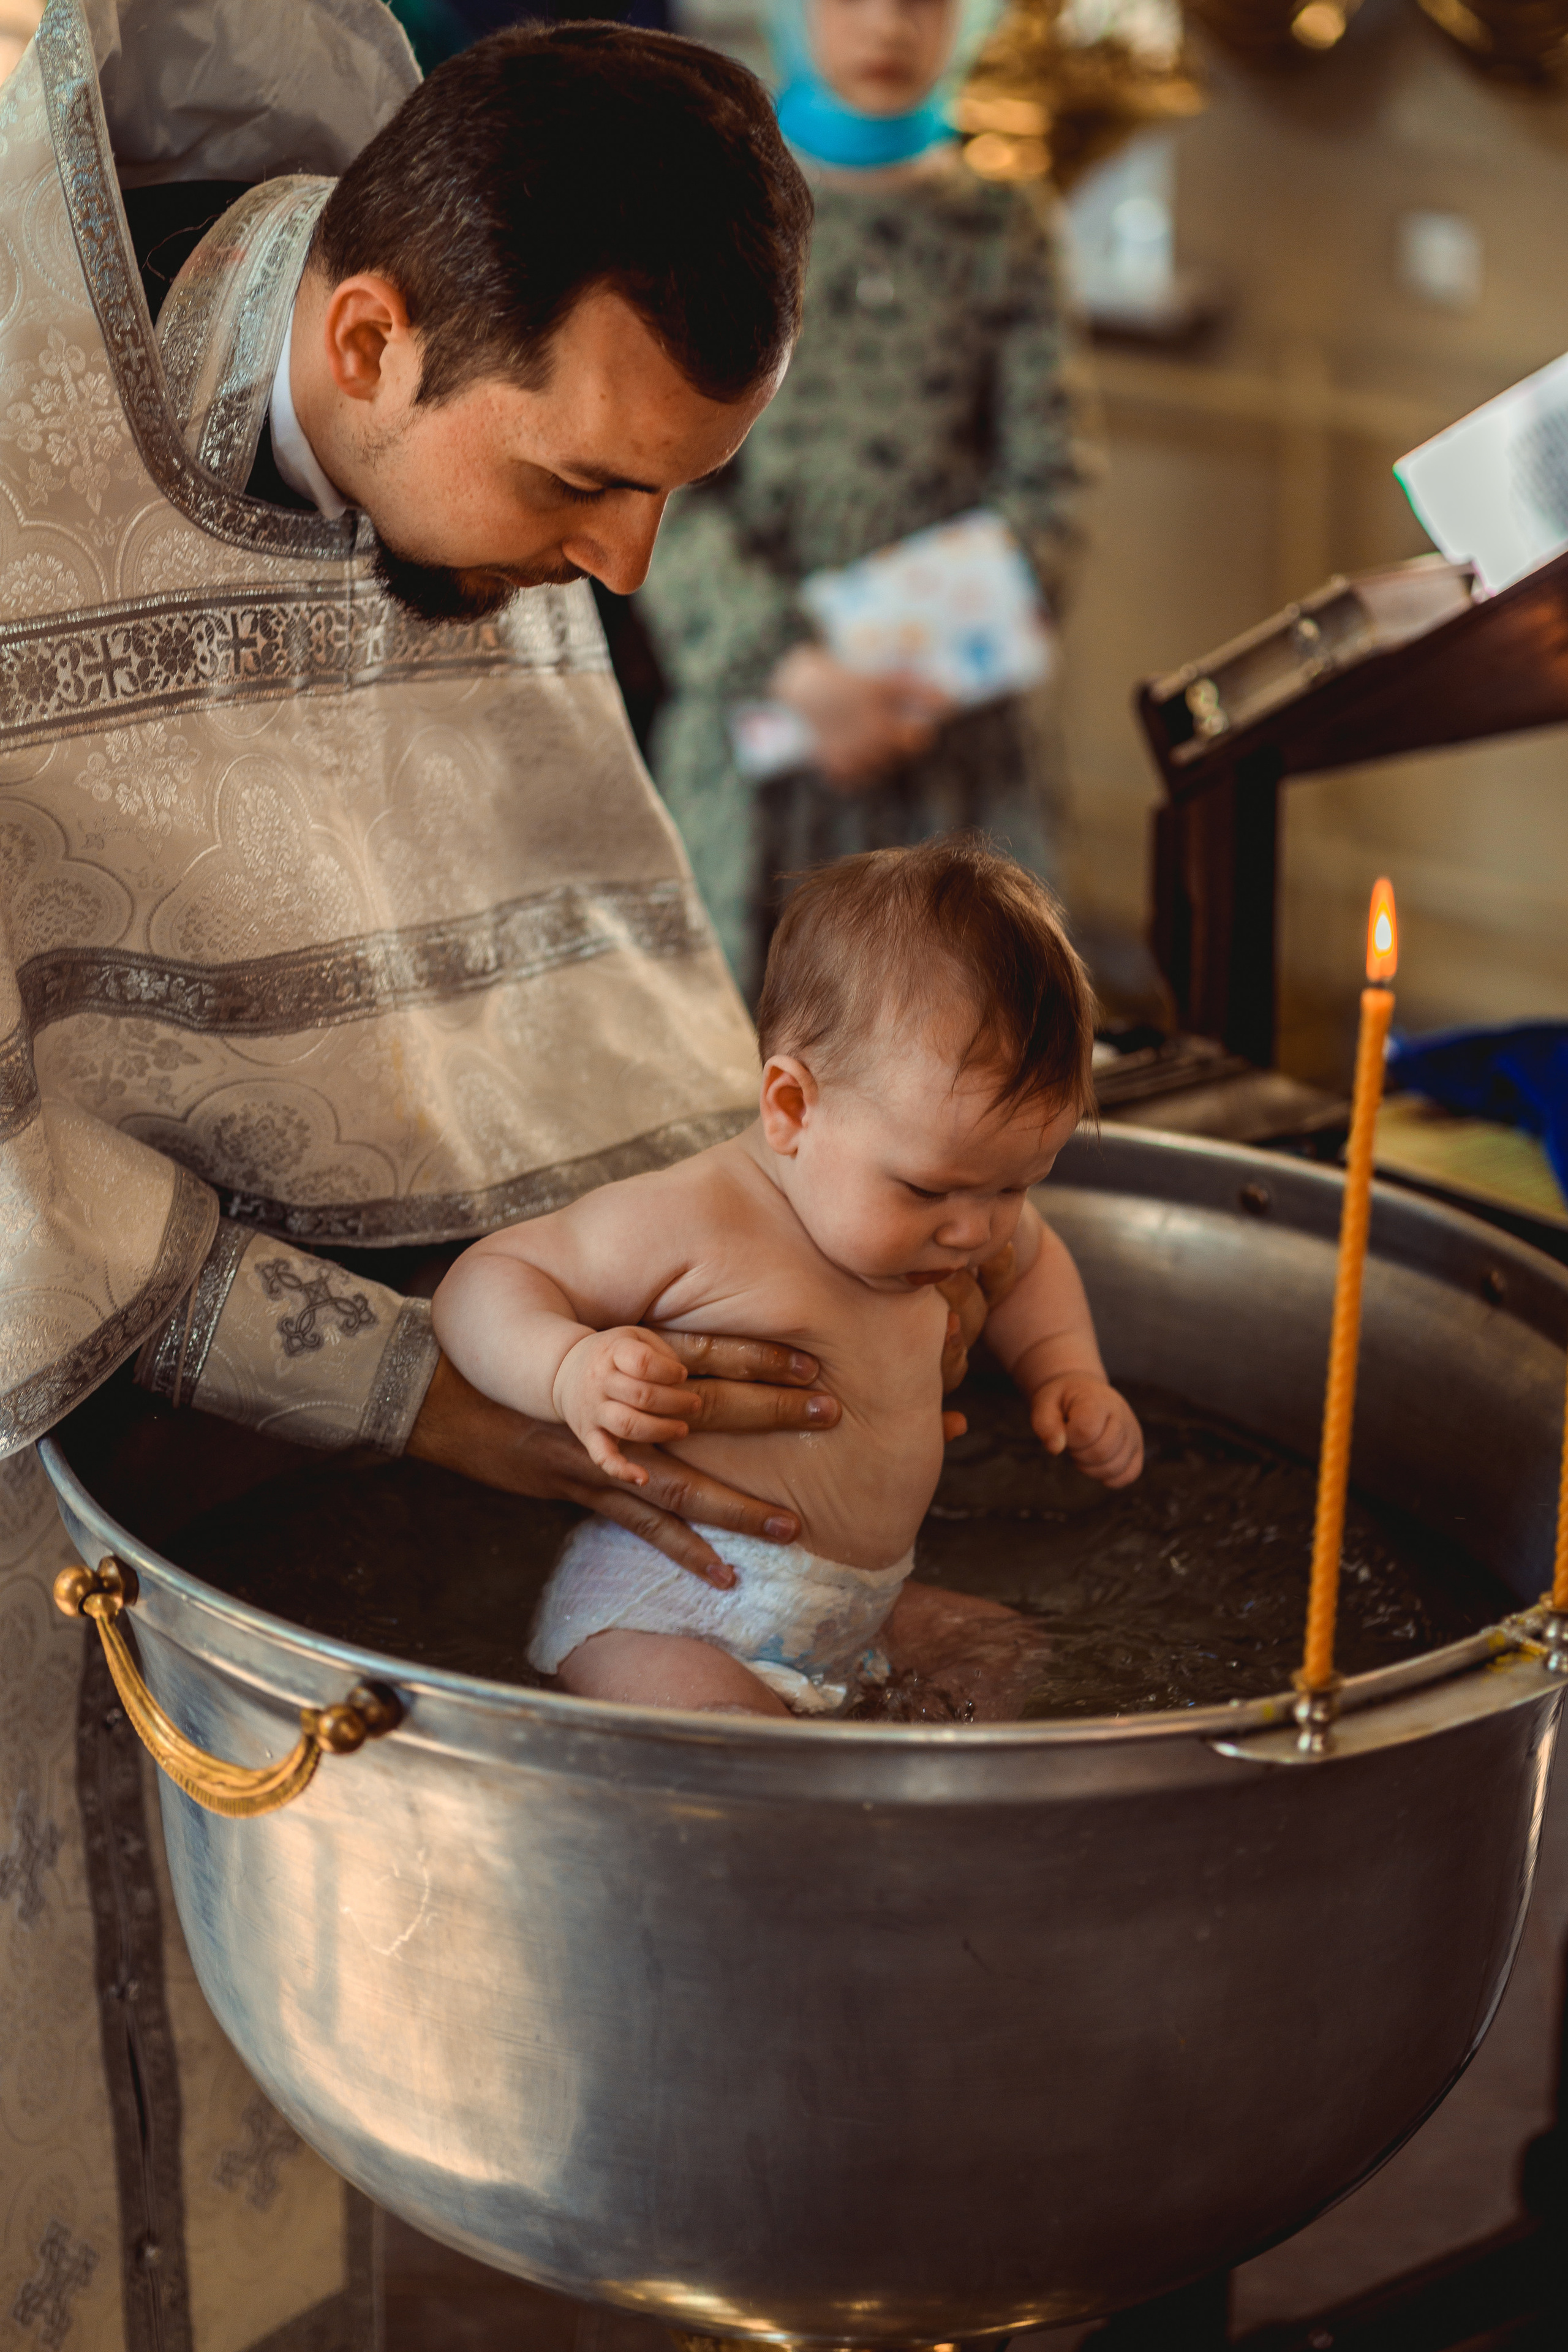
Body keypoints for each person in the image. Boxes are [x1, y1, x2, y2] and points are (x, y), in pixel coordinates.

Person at [0, 6, 877, 2343]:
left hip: (333, 1479)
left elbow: (563, 979)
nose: (623, 566)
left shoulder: (480, 394)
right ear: (365, 337)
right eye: (587, 485)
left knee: (336, 2135)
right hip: (26, 1455)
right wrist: (415, 1392)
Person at [432, 838, 1144, 1717]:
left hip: (851, 1610)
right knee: (742, 1751)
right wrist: (566, 1368)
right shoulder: (698, 1217)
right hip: (670, 1611)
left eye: (1016, 1184)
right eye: (927, 1188)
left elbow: (1033, 1263)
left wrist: (1066, 1370)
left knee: (1006, 1650)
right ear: (792, 1108)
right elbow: (489, 1276)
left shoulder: (964, 1215)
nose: (976, 1228)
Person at [640, 0, 1101, 998]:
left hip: (948, 745)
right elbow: (660, 481)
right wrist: (798, 674)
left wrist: (902, 675)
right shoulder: (714, 210)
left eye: (926, 2)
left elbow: (1050, 486)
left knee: (960, 1032)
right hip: (753, 737)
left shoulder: (1007, 228)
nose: (890, 25)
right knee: (746, 1048)